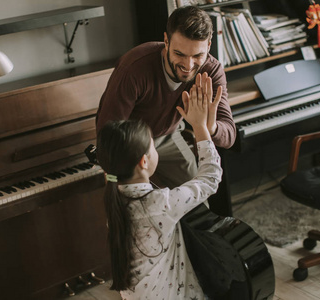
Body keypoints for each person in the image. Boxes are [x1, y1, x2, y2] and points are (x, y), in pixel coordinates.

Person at [96, 83, 222, 299]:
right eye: (153, 147)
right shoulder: (162, 204)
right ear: (144, 161)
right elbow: (210, 178)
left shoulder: (115, 200)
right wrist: (200, 127)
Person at [96, 5, 236, 189]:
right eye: (179, 54)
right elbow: (108, 132)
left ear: (209, 46)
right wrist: (114, 178)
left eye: (197, 55)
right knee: (135, 205)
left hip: (169, 134)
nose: (188, 65)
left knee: (197, 195)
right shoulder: (134, 68)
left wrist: (210, 127)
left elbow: (230, 135)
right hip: (130, 142)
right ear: (166, 41)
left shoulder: (212, 70)